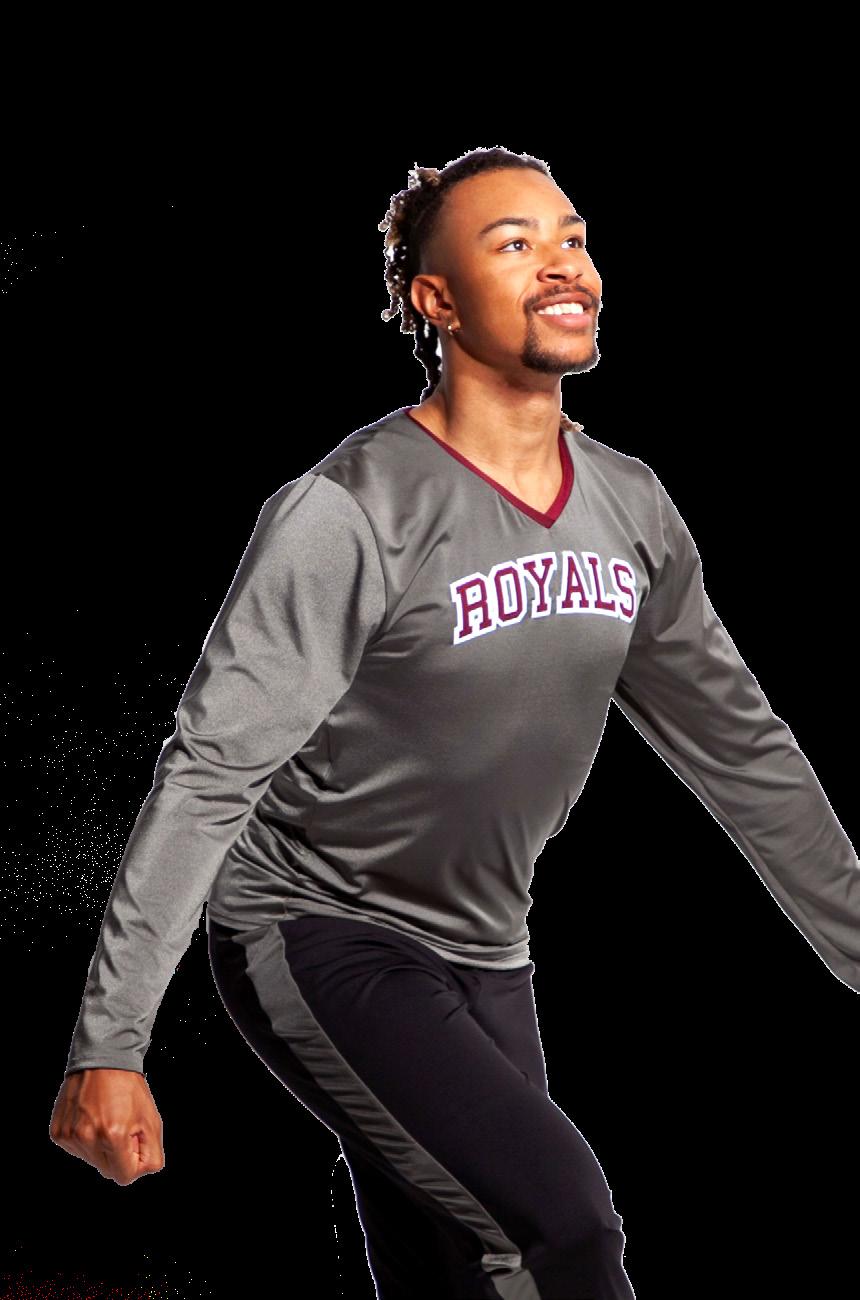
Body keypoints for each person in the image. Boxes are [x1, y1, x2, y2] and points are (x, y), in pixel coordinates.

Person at [50, 147, 859, 1300]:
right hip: (315, 929)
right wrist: (111, 1044)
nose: (561, 265)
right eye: (513, 245)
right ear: (435, 299)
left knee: (454, 1266)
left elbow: (742, 749)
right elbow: (208, 772)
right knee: (559, 1224)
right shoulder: (350, 509)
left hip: (488, 952)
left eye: (571, 238)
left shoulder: (629, 505)